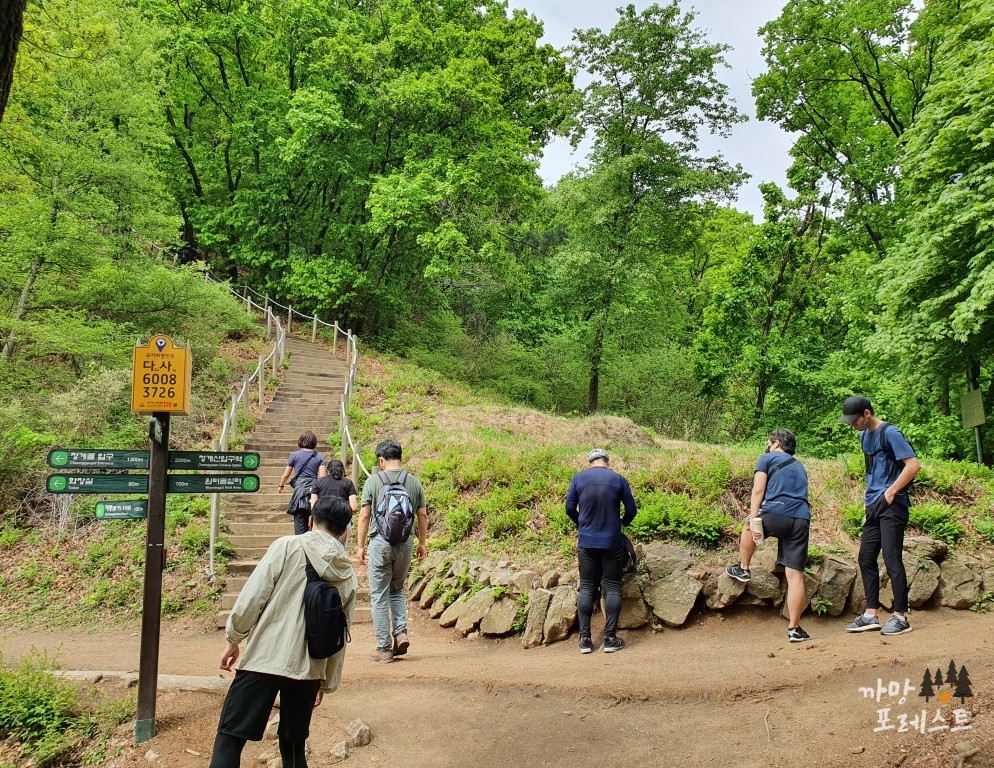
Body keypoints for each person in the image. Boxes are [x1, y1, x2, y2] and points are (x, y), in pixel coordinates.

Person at [209, 496, 357, 768]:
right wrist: (324, 681)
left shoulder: (287, 546)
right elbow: (340, 637)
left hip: (265, 657)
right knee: (293, 747)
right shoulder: (347, 573)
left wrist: (234, 638)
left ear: (311, 521)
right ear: (345, 531)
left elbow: (254, 597)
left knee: (230, 737)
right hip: (310, 667)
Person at [840, 396, 921, 636]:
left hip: (893, 504)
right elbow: (871, 471)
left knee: (891, 557)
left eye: (854, 421)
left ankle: (900, 617)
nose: (852, 425)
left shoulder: (891, 433)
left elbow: (913, 465)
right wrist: (868, 499)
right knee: (865, 557)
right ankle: (871, 614)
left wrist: (892, 491)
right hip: (873, 505)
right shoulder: (863, 436)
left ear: (866, 413)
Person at [725, 429, 812, 643]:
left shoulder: (767, 458)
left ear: (776, 444)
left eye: (768, 442)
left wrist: (754, 520)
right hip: (801, 518)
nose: (766, 444)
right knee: (795, 577)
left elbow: (757, 490)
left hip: (775, 512)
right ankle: (794, 628)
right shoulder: (800, 465)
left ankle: (744, 569)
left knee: (747, 526)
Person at [355, 439, 428, 663]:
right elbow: (422, 515)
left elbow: (365, 515)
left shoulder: (373, 482)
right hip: (405, 544)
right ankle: (401, 632)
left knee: (378, 596)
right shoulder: (413, 482)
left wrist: (359, 546)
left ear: (381, 460)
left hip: (380, 544)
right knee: (397, 591)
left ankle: (384, 648)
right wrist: (422, 543)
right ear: (400, 458)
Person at [565, 448, 637, 654]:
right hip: (612, 542)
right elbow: (632, 509)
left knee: (587, 587)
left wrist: (582, 524)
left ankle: (585, 641)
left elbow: (569, 508)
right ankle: (610, 639)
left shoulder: (578, 479)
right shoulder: (618, 479)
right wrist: (622, 523)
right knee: (613, 587)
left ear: (590, 463)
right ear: (607, 462)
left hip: (587, 542)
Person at [278, 431, 326, 535]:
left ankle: (300, 546)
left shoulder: (294, 455)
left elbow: (286, 474)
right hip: (314, 492)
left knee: (300, 524)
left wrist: (281, 485)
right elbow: (322, 477)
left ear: (301, 441)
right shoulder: (319, 457)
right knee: (314, 524)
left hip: (300, 493)